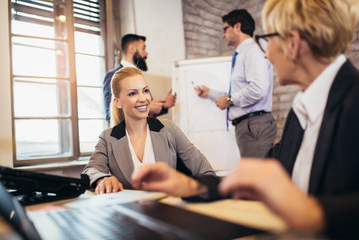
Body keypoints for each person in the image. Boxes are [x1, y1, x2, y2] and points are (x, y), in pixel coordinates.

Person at [132, 0, 359, 237]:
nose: (267, 54)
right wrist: (193, 185)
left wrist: (311, 212)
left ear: (293, 43)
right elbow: (261, 175)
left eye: (268, 40)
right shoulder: (302, 110)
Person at [83, 67, 215, 194]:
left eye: (145, 91)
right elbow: (91, 170)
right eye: (133, 93)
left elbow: (206, 172)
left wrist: (188, 187)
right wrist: (102, 179)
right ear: (117, 102)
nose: (143, 99)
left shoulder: (169, 129)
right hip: (130, 213)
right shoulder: (108, 138)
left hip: (168, 210)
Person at [195, 9, 276, 158]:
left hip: (254, 126)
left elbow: (258, 89)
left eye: (226, 29)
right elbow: (241, 92)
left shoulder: (252, 50)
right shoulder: (243, 53)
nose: (223, 35)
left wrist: (228, 100)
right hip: (250, 126)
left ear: (237, 27)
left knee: (255, 177)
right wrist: (210, 93)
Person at [103, 34, 176, 122]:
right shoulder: (112, 76)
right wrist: (147, 108)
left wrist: (163, 106)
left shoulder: (139, 76)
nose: (146, 53)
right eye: (143, 48)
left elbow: (147, 111)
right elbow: (110, 116)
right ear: (132, 49)